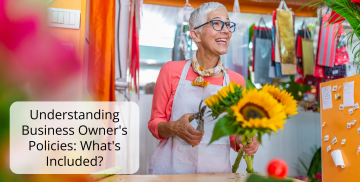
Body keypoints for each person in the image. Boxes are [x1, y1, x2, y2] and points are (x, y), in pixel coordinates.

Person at [148, 2, 259, 174]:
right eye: (216, 23)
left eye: (228, 24)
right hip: (171, 172)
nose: (226, 30)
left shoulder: (236, 81)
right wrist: (174, 127)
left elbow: (231, 135)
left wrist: (242, 139)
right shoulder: (170, 71)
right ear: (196, 35)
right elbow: (155, 123)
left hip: (217, 174)